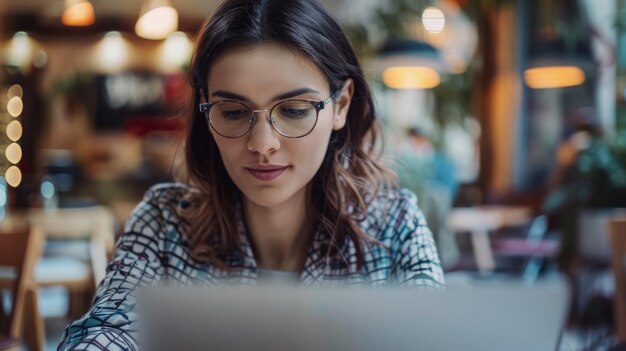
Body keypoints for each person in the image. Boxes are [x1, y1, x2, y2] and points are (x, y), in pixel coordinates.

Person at [58, 0, 444, 349]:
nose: (263, 144)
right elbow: (110, 329)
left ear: (340, 105)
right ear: (206, 113)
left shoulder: (395, 226)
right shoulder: (164, 224)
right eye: (233, 111)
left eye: (294, 110)